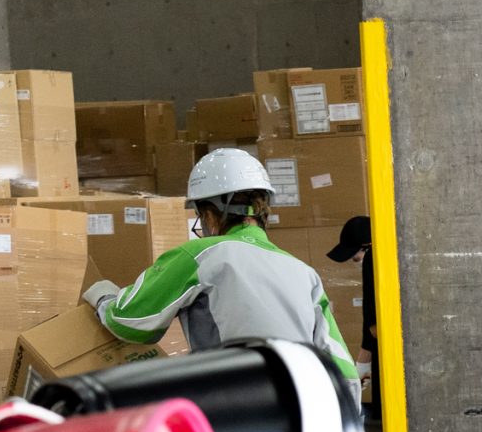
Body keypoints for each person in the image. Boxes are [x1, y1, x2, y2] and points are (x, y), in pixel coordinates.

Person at [87, 147, 357, 376]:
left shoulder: (201, 255)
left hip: (234, 408)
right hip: (303, 410)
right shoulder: (304, 273)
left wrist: (103, 297)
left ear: (210, 213)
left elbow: (129, 322)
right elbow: (344, 369)